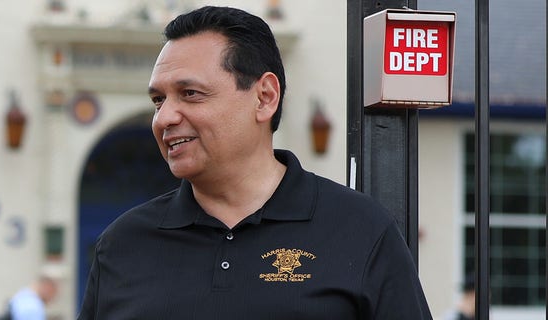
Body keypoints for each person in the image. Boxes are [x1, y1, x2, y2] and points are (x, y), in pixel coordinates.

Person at [78, 5, 432, 319]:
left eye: (190, 94)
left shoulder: (360, 229)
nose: (164, 117)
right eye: (158, 99)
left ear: (265, 97)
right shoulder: (122, 244)